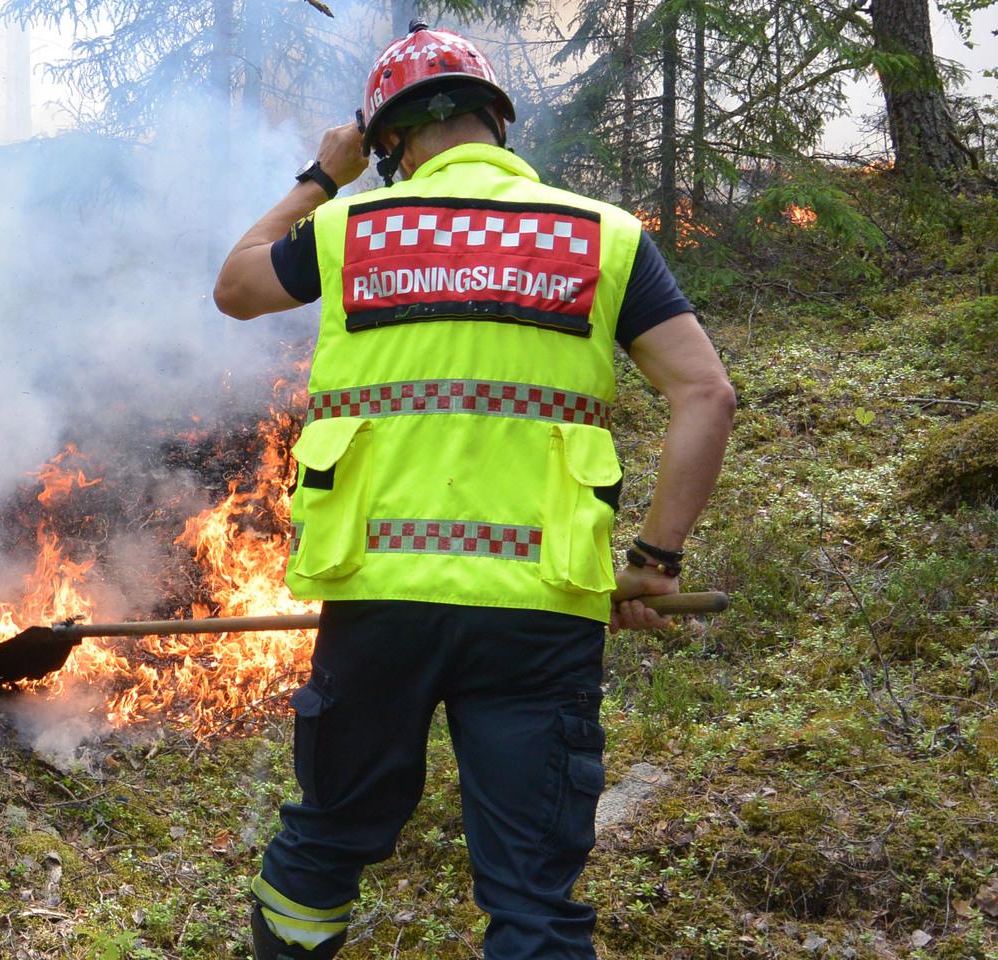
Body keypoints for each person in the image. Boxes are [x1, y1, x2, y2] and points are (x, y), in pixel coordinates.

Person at [210, 20, 736, 960]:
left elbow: (236, 286)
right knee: (534, 898)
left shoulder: (350, 228)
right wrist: (654, 562)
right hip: (539, 618)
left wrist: (320, 178)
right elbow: (707, 393)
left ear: (390, 145)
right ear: (498, 121)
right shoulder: (604, 237)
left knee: (324, 850)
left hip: (379, 606)